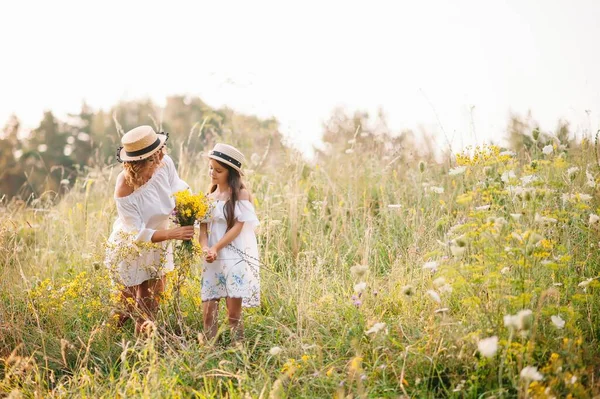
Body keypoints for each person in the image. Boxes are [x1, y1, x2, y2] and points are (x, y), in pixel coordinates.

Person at [105, 125, 194, 334]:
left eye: (160, 152)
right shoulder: (124, 188)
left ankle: (145, 354)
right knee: (125, 307)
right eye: (155, 157)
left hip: (159, 243)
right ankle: (107, 342)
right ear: (139, 163)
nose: (161, 158)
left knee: (150, 305)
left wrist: (191, 212)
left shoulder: (164, 164)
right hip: (132, 247)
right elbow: (137, 234)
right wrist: (173, 234)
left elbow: (177, 188)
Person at [199, 143, 260, 342]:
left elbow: (237, 227)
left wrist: (216, 247)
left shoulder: (240, 195)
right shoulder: (208, 198)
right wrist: (205, 248)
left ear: (231, 173)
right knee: (208, 313)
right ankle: (209, 352)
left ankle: (238, 353)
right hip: (212, 259)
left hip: (233, 256)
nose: (212, 173)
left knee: (233, 315)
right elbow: (203, 231)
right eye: (210, 168)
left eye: (218, 170)